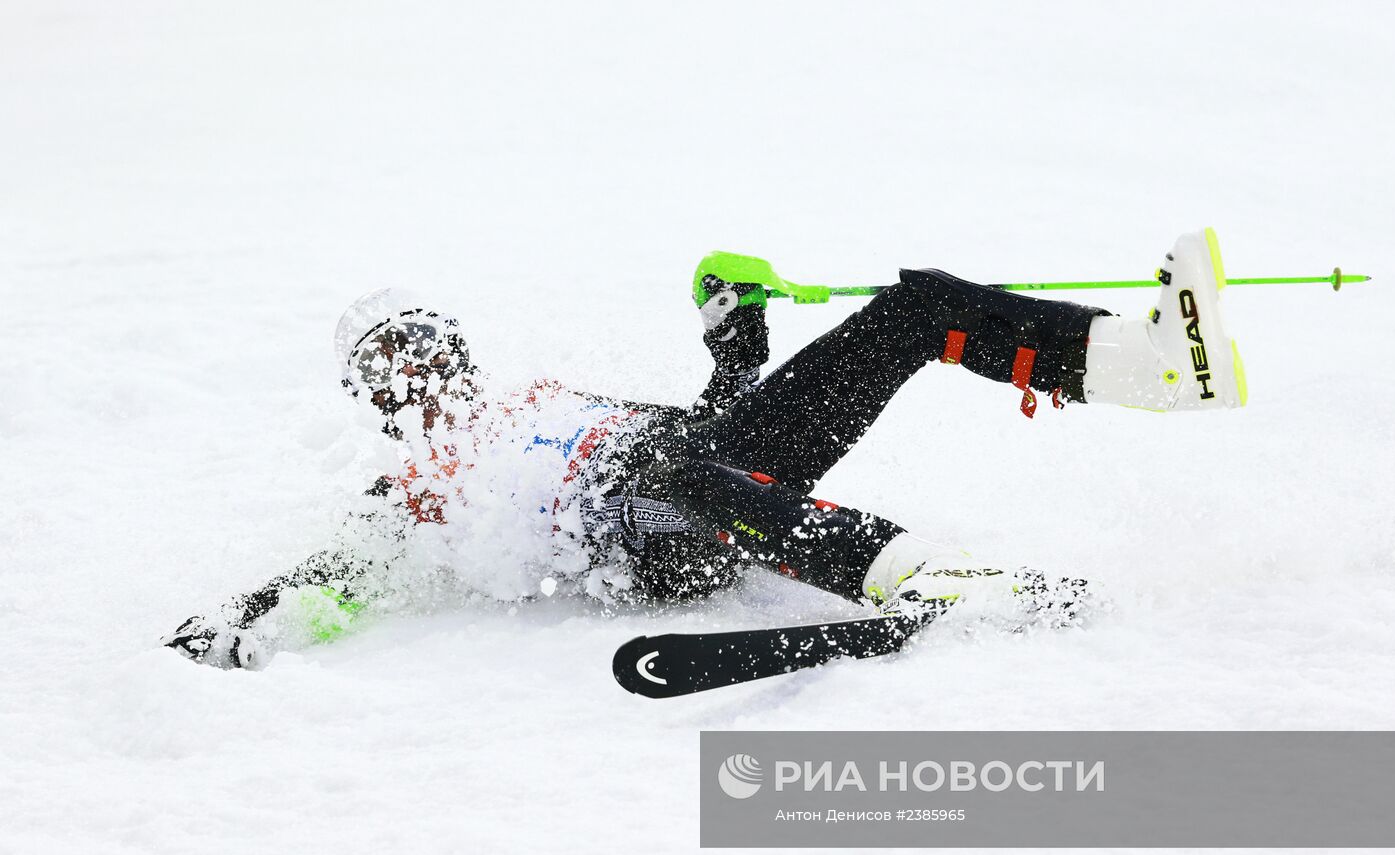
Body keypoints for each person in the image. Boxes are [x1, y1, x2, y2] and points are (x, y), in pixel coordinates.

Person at [165, 229, 1246, 668]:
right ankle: (915, 569)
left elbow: (705, 429)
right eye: (390, 363)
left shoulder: (547, 396)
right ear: (375, 396)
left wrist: (737, 341)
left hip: (705, 483)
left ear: (455, 345)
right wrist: (249, 612)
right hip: (641, 549)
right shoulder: (411, 482)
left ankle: (1138, 363)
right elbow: (347, 570)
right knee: (671, 479)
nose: (420, 368)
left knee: (909, 309)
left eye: (426, 343)